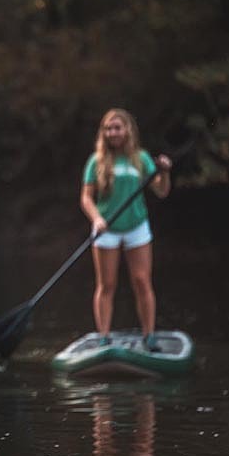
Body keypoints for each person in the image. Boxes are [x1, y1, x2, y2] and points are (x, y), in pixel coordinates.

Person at [80, 108, 172, 350]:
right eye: (108, 128)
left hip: (136, 226)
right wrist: (97, 219)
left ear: (127, 130)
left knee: (142, 280)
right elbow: (86, 198)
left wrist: (164, 173)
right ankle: (103, 337)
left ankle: (149, 335)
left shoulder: (140, 158)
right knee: (107, 284)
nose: (113, 132)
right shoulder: (96, 161)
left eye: (117, 127)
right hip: (106, 228)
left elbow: (161, 191)